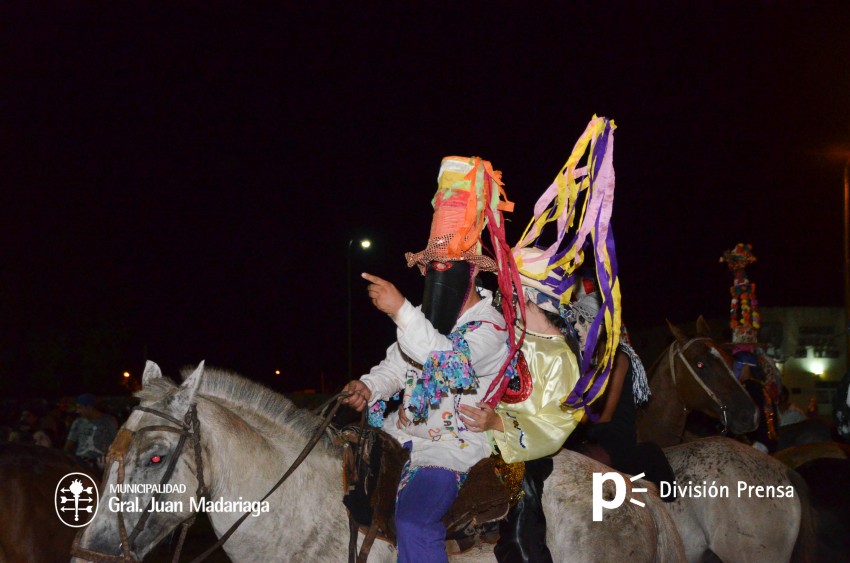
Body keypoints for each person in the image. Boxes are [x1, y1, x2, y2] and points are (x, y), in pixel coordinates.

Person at [343, 155, 520, 563]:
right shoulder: (427, 319)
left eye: (443, 267)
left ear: (470, 274)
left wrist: (400, 310)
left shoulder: (491, 327)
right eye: (430, 268)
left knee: (414, 524)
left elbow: (451, 365)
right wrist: (368, 386)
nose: (432, 276)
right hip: (400, 434)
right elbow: (399, 364)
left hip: (450, 449)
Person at [457, 247, 583, 563]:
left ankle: (525, 552)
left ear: (531, 297)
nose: (505, 301)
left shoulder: (560, 358)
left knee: (520, 503)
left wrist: (497, 424)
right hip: (485, 434)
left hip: (524, 449)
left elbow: (557, 423)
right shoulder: (511, 338)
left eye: (511, 293)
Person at [64, 393, 117, 471]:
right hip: (80, 463)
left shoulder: (108, 421)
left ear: (89, 407)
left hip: (101, 464)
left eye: (80, 408)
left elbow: (116, 443)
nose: (77, 411)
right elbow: (69, 444)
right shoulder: (78, 422)